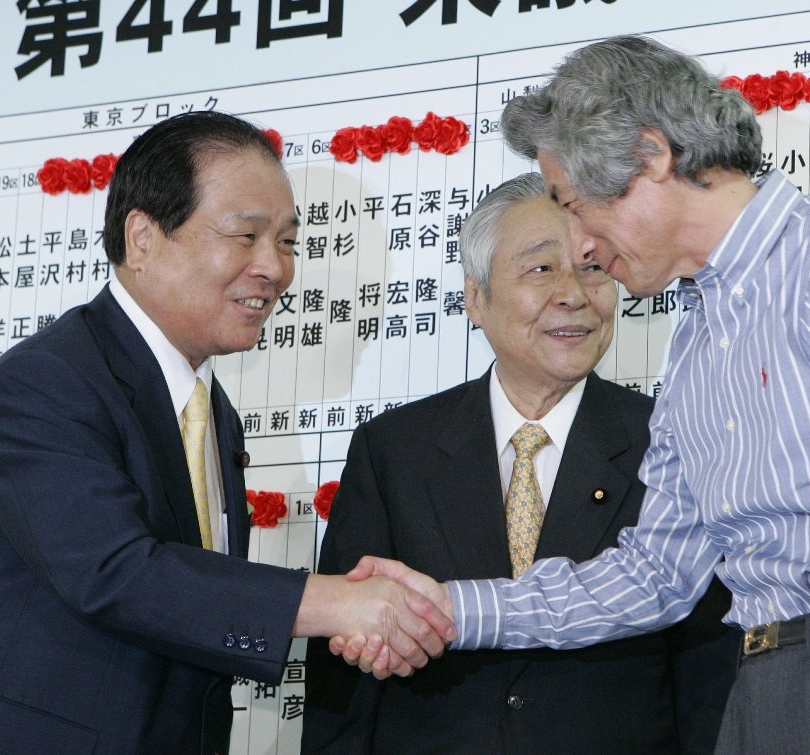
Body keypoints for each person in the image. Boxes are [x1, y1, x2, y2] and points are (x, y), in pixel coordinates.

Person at [336, 36, 810, 754]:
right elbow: (656, 572)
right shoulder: (697, 337)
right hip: (765, 684)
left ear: (651, 155)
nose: (581, 248)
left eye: (574, 205)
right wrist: (451, 605)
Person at [0, 111, 453, 754]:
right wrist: (338, 605)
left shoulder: (212, 410)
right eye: (245, 235)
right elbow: (118, 573)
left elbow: (191, 608)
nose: (274, 268)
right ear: (142, 237)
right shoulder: (47, 380)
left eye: (287, 242)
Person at [302, 173, 739, 754]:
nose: (573, 293)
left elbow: (709, 664)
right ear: (475, 297)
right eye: (541, 268)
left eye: (592, 267)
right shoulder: (393, 450)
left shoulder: (670, 437)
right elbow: (343, 673)